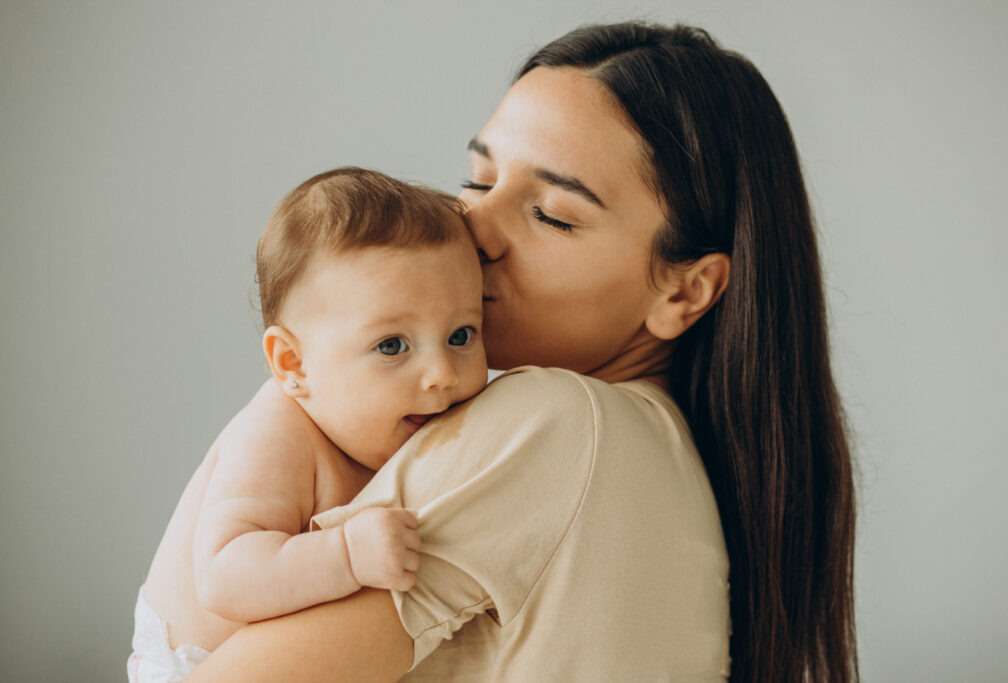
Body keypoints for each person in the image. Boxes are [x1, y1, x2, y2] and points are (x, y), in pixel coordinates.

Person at [184, 21, 858, 683]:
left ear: (685, 290)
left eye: (552, 214)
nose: (473, 228)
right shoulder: (664, 459)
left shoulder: (559, 425)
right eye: (479, 180)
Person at [130, 167, 489, 682]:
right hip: (195, 664)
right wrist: (346, 554)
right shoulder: (278, 433)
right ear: (293, 364)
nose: (442, 374)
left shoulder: (402, 426)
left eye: (461, 335)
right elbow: (224, 577)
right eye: (392, 345)